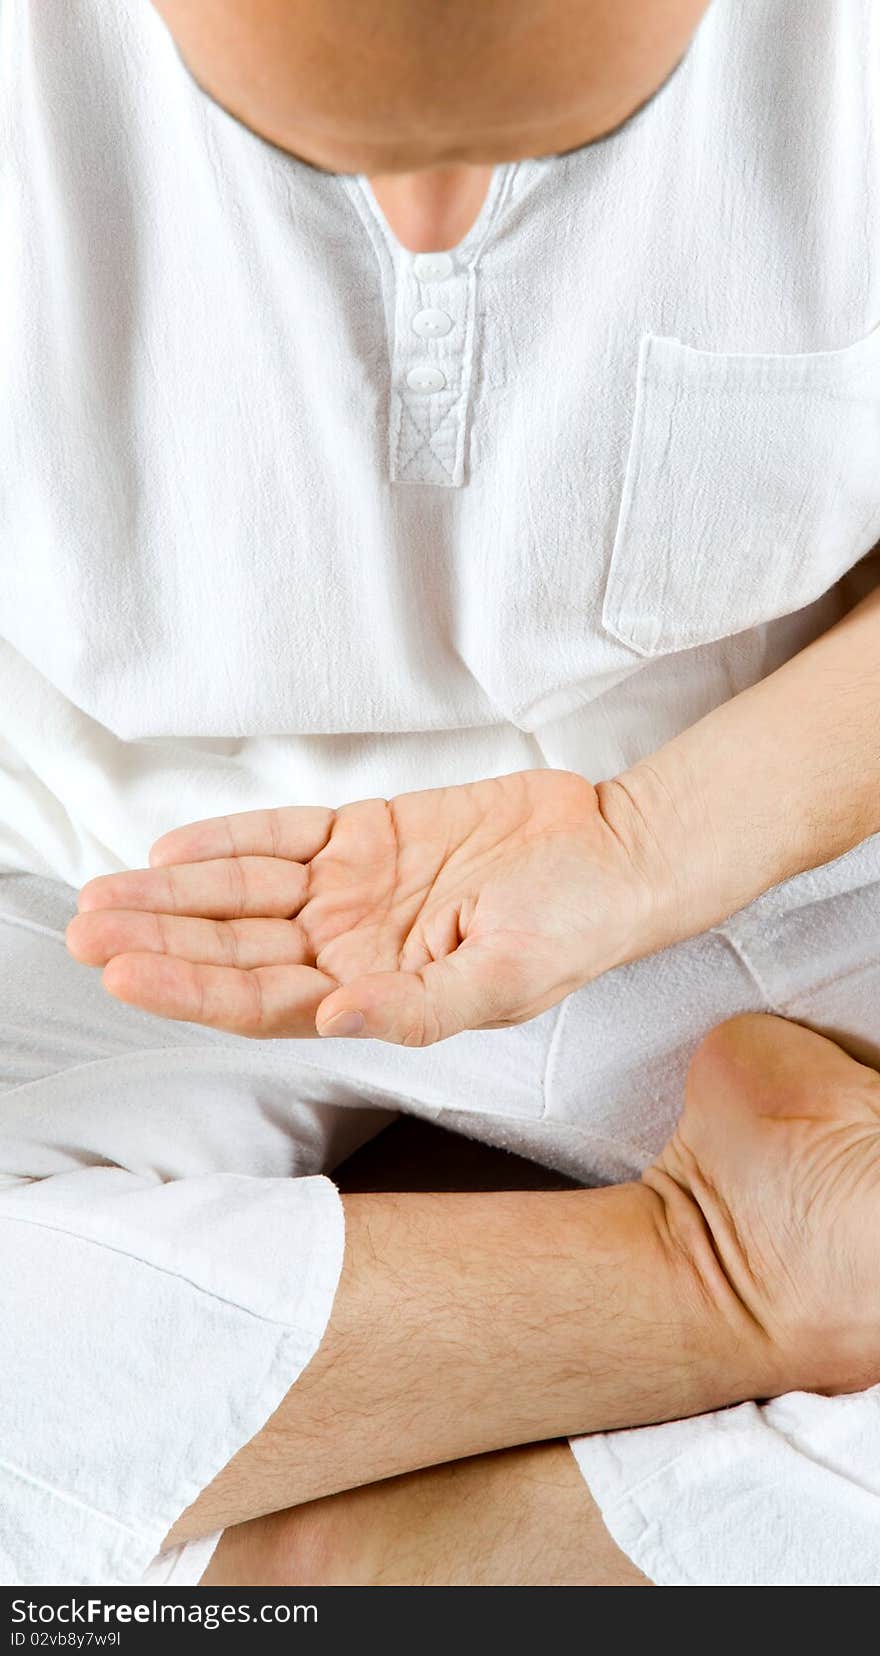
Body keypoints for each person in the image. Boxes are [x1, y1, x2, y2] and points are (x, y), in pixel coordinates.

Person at [1, 0, 879, 1587]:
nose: (433, 227)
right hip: (92, 911)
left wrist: (654, 840)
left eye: (552, 149)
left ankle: (248, 1561)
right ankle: (721, 1280)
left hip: (779, 841)